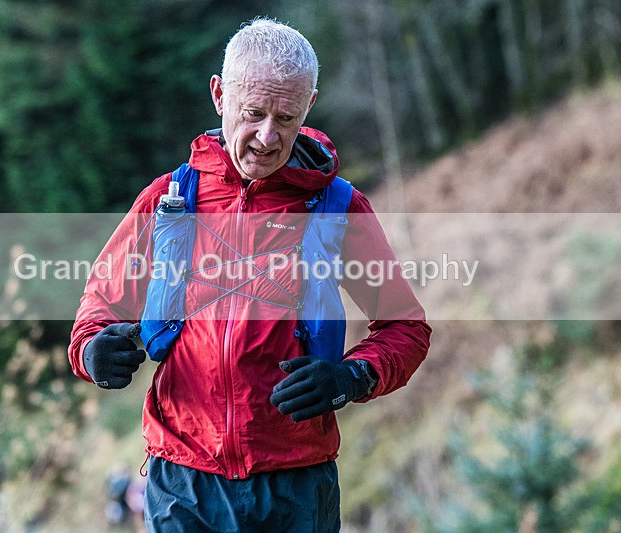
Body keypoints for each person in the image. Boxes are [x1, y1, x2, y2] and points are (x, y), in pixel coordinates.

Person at [69, 18, 431, 532]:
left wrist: (351, 377)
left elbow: (406, 329)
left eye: (286, 116)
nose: (267, 136)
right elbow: (98, 310)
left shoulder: (338, 207)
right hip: (183, 482)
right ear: (219, 95)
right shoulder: (166, 200)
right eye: (254, 113)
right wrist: (93, 353)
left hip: (297, 485)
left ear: (309, 104)